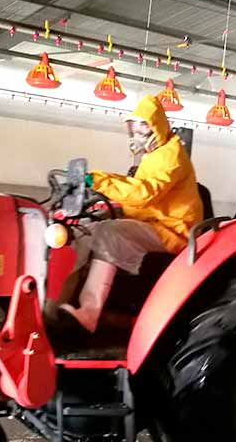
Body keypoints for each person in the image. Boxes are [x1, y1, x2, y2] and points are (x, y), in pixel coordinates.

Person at [58, 94, 202, 333]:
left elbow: (145, 193)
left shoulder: (171, 155)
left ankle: (89, 313)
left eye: (142, 129)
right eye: (134, 130)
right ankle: (54, 306)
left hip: (173, 231)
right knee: (84, 229)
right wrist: (102, 197)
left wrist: (97, 180)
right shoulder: (152, 157)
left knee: (109, 231)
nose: (137, 136)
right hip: (152, 223)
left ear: (156, 127)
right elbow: (135, 192)